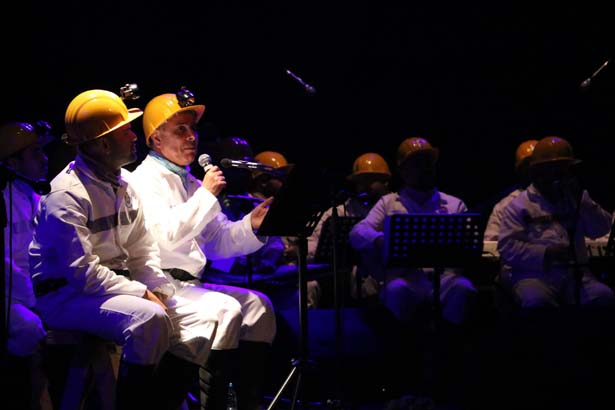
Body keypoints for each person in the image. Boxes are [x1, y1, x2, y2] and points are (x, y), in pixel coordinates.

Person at [29, 89, 221, 410]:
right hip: (66, 296)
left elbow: (142, 252)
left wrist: (159, 289)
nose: (134, 137)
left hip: (112, 289)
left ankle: (160, 403)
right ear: (104, 144)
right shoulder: (67, 196)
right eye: (126, 131)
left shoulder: (126, 185)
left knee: (200, 323)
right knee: (148, 319)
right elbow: (83, 275)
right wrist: (143, 293)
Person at [130, 91, 277, 410]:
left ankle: (245, 402)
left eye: (193, 129)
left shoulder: (192, 184)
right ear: (156, 139)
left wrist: (252, 225)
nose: (191, 137)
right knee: (226, 310)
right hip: (160, 285)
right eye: (180, 129)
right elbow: (165, 237)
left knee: (259, 307)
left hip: (190, 285)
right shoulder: (142, 180)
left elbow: (219, 241)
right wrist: (206, 196)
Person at [349, 137, 477, 326]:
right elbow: (357, 232)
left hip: (445, 279)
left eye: (428, 162)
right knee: (396, 290)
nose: (425, 168)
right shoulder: (388, 203)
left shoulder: (454, 204)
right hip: (404, 278)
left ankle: (452, 340)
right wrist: (380, 240)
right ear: (403, 171)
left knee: (464, 288)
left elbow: (469, 247)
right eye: (417, 163)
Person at [498, 136, 615, 308]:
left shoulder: (577, 200)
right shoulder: (518, 206)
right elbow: (507, 248)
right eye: (552, 170)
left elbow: (602, 228)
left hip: (575, 275)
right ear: (537, 173)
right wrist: (546, 253)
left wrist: (583, 202)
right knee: (537, 301)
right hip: (534, 275)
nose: (558, 176)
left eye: (563, 170)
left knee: (603, 296)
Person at [1, 121, 51, 409]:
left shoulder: (40, 196)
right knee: (29, 328)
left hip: (40, 292)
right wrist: (35, 300)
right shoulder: (4, 201)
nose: (44, 159)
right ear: (12, 163)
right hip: (15, 296)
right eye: (35, 153)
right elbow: (6, 264)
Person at [305, 152, 392, 307]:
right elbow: (313, 243)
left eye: (371, 180)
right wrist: (303, 251)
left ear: (385, 182)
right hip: (349, 279)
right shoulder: (340, 211)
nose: (365, 186)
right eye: (360, 181)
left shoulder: (394, 206)